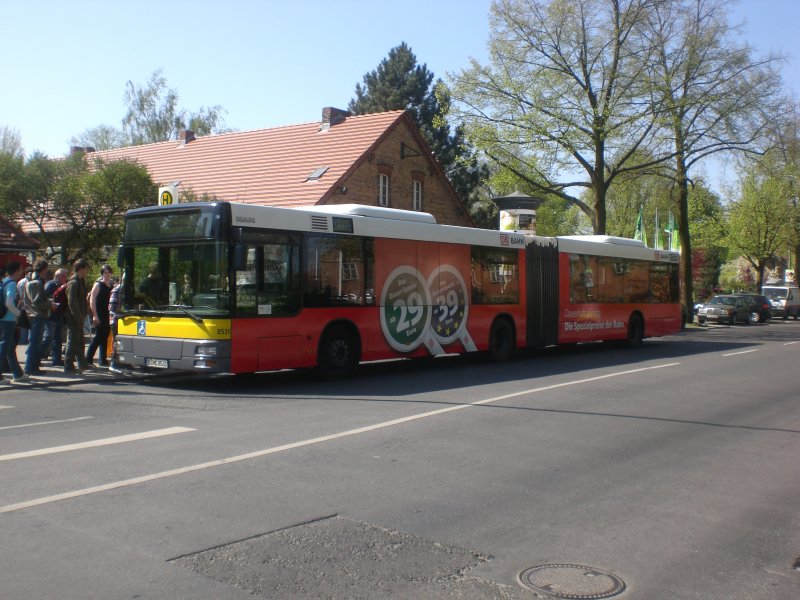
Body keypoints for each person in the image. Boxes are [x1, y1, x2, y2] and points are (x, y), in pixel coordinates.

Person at [0, 262, 28, 384]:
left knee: (10, 348)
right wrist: (18, 313)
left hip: (2, 318)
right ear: (16, 271)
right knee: (4, 347)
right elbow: (9, 303)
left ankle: (18, 374)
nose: (21, 272)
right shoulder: (11, 284)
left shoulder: (3, 281)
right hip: (8, 320)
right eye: (21, 270)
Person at [22, 259, 52, 376]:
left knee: (35, 342)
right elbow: (37, 302)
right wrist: (50, 304)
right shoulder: (36, 282)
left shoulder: (32, 280)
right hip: (36, 315)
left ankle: (34, 367)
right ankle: (30, 368)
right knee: (35, 343)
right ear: (43, 269)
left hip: (33, 314)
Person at [64, 258, 91, 374]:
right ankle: (68, 365)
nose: (87, 271)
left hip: (79, 317)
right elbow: (72, 303)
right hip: (73, 318)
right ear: (80, 269)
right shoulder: (73, 282)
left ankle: (82, 363)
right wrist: (78, 317)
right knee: (72, 341)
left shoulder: (80, 281)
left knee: (80, 341)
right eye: (86, 269)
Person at [41, 267, 68, 366]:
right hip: (50, 315)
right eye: (63, 276)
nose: (65, 278)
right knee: (48, 336)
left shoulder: (65, 286)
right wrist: (51, 303)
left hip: (59, 314)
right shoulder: (50, 285)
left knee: (58, 338)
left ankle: (56, 360)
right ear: (57, 276)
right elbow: (43, 297)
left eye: (66, 276)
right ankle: (39, 354)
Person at [108, 276, 123, 373]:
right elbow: (112, 309)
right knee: (117, 342)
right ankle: (113, 363)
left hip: (125, 321)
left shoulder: (127, 290)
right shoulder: (117, 290)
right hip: (116, 321)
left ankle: (122, 362)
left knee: (121, 343)